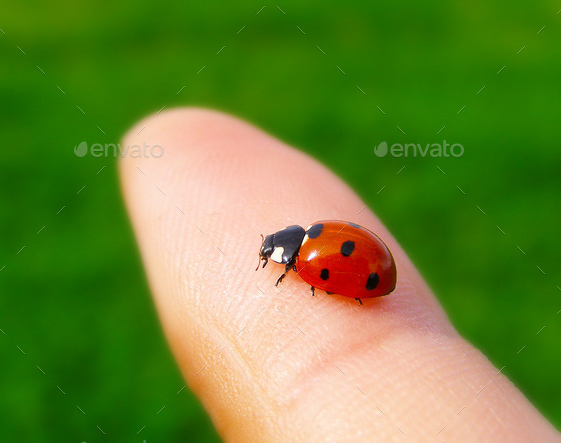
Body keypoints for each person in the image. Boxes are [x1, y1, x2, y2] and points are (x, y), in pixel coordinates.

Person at [120, 108, 558, 441]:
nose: (271, 257)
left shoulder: (307, 260)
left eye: (271, 254)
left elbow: (320, 271)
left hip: (375, 279)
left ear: (282, 252)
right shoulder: (309, 240)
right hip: (372, 270)